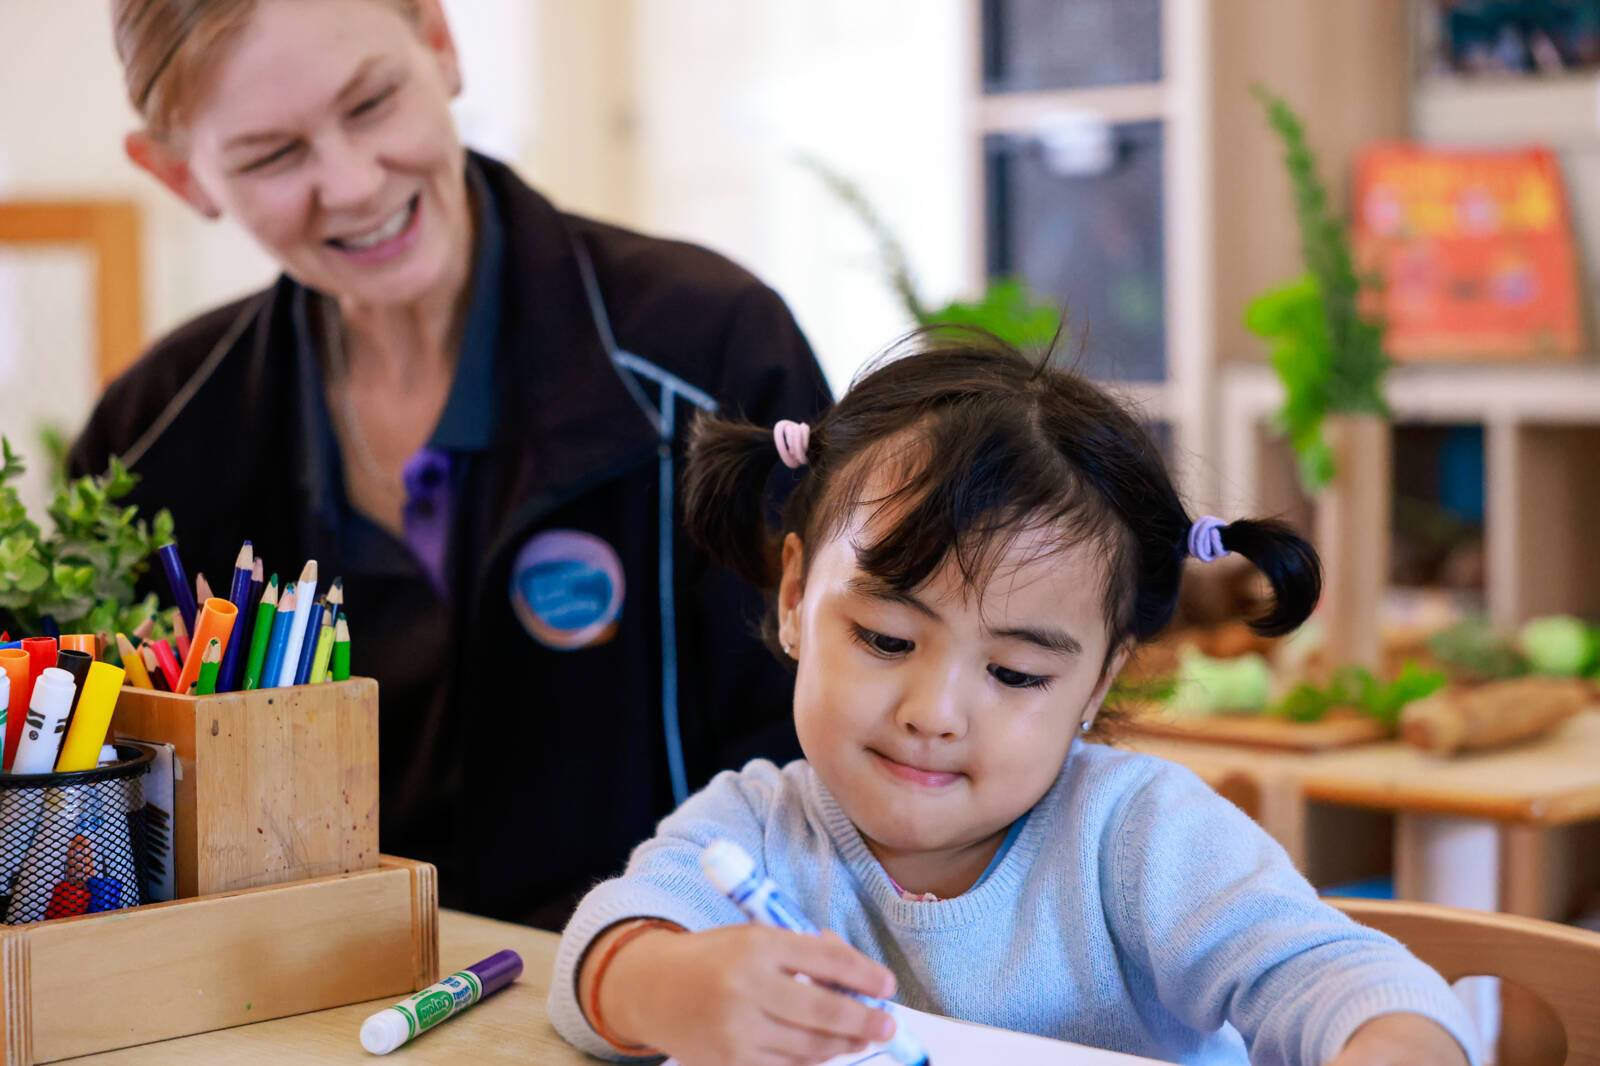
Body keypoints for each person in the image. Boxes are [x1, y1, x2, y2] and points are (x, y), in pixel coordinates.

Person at [70, 0, 829, 926]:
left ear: (439, 43)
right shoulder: (149, 442)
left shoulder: (712, 351)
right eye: (273, 155)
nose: (350, 184)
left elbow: (819, 752)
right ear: (180, 174)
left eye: (373, 102)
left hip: (668, 999)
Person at [546, 332, 1478, 1065]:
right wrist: (664, 986)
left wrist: (1393, 1041)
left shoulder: (1141, 837)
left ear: (1099, 680)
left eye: (1017, 674)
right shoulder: (751, 828)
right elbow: (605, 946)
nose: (935, 711)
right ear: (794, 599)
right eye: (885, 639)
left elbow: (1330, 973)